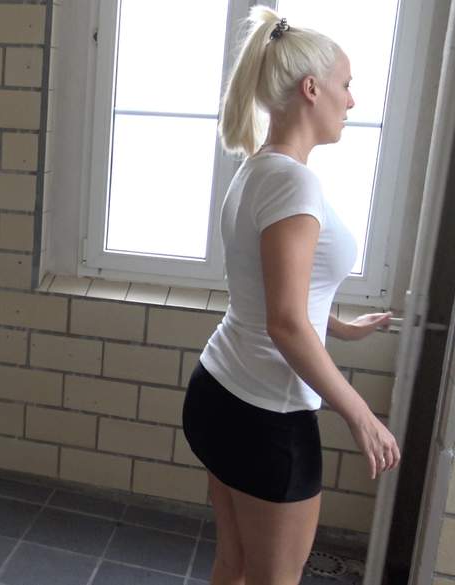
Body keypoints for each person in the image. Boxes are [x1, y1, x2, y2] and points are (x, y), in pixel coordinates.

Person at [181, 6, 401, 585]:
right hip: (267, 417)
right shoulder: (293, 183)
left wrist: (340, 326)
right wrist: (361, 416)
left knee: (234, 564)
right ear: (311, 89)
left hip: (220, 391)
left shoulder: (258, 168)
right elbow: (284, 322)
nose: (351, 100)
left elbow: (271, 296)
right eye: (345, 84)